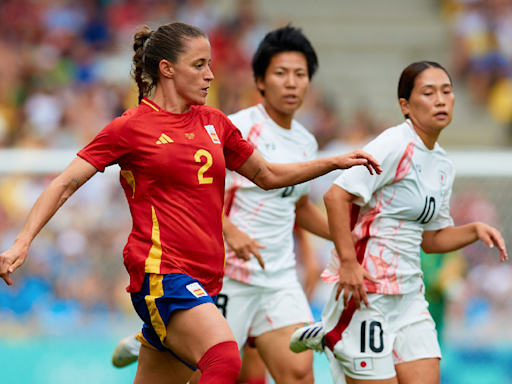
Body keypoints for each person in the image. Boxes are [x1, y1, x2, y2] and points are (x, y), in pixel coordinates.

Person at [0, 22, 381, 384]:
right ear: (167, 69)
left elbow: (267, 176)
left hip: (207, 278)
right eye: (199, 65)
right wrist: (22, 241)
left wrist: (332, 161)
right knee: (225, 359)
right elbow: (65, 183)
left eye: (210, 64)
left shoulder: (215, 122)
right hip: (162, 275)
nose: (210, 75)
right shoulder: (131, 127)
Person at [112, 25, 335, 384]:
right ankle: (152, 338)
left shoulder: (306, 142)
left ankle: (153, 337)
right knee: (223, 366)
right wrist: (230, 231)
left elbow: (297, 206)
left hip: (277, 276)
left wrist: (344, 238)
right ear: (260, 81)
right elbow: (194, 191)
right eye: (281, 73)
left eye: (300, 74)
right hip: (228, 271)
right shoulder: (235, 125)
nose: (292, 83)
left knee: (296, 372)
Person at [289, 61, 507, 384]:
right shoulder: (394, 144)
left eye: (446, 91)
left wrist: (473, 230)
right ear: (405, 105)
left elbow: (431, 240)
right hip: (367, 297)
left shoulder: (443, 164)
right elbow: (336, 196)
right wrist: (348, 263)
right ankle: (335, 330)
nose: (440, 100)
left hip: (410, 299)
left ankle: (333, 331)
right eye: (428, 92)